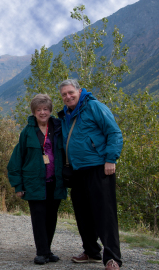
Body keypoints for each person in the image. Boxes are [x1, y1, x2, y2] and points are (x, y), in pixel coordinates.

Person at [57, 79, 123, 270]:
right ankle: (91, 252)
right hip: (77, 170)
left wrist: (111, 159)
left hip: (99, 167)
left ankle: (112, 258)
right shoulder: (66, 114)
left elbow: (114, 132)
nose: (68, 96)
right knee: (83, 214)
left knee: (105, 213)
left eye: (71, 92)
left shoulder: (94, 107)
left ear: (79, 91)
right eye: (64, 94)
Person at [7, 94, 67, 265]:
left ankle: (47, 250)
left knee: (51, 218)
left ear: (50, 111)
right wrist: (18, 185)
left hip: (55, 182)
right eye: (39, 109)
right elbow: (16, 160)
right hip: (34, 183)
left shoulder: (58, 128)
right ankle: (41, 253)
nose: (42, 112)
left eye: (45, 109)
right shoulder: (27, 132)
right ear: (33, 112)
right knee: (39, 218)